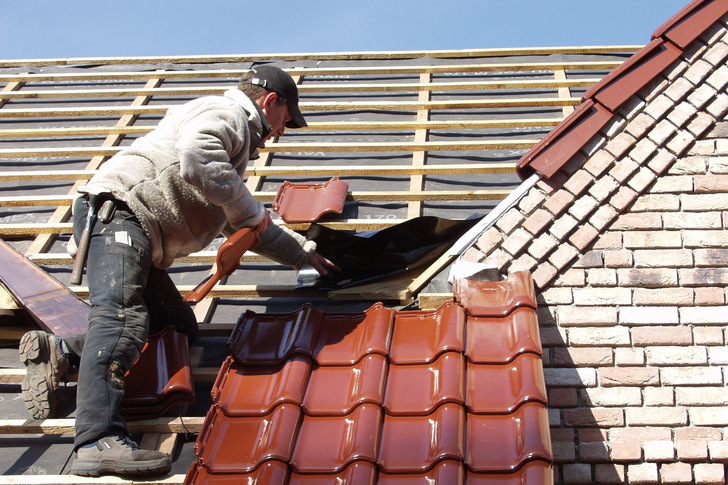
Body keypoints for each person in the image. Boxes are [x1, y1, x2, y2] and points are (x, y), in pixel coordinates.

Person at [18, 64, 338, 478]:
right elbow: (197, 159)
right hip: (120, 215)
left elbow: (246, 224)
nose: (281, 131)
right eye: (285, 121)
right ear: (269, 102)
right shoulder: (227, 115)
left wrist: (303, 255)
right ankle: (96, 440)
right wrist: (253, 213)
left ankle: (59, 351)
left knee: (175, 328)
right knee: (123, 319)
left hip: (132, 228)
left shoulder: (230, 159)